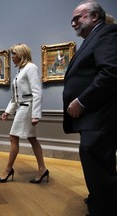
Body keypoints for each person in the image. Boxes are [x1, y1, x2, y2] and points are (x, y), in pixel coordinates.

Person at [63, 1, 117, 215]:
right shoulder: (93, 39)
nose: (73, 22)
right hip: (94, 117)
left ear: (94, 16)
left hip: (100, 115)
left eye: (78, 17)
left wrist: (82, 101)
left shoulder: (106, 33)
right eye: (72, 19)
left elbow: (111, 72)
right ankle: (99, 202)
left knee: (97, 164)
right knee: (96, 164)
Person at [0, 43, 49, 184]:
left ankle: (8, 169)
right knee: (32, 139)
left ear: (22, 54)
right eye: (12, 54)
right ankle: (42, 169)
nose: (12, 57)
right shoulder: (20, 70)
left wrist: (36, 114)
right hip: (21, 107)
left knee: (13, 138)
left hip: (27, 108)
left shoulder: (31, 68)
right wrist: (8, 111)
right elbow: (15, 97)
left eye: (15, 54)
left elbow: (37, 92)